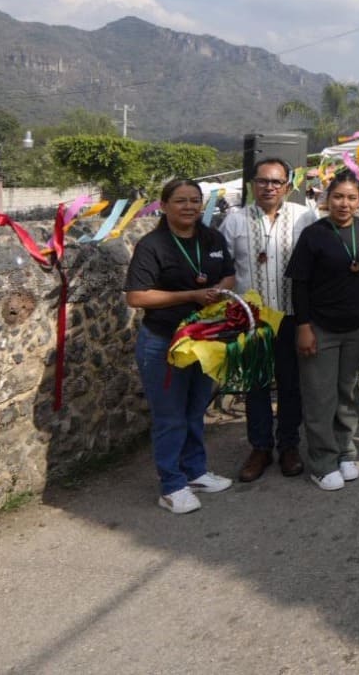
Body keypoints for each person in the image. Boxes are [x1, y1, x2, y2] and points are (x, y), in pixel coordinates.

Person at [124, 179, 236, 513]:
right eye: (180, 201)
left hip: (203, 340)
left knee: (194, 409)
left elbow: (229, 275)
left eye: (194, 201)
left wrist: (219, 289)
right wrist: (190, 296)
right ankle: (171, 485)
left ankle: (195, 470)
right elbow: (136, 296)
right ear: (164, 205)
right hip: (164, 342)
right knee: (169, 415)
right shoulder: (152, 245)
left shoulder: (212, 238)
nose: (188, 207)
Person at [220, 158, 317, 482]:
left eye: (276, 182)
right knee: (256, 384)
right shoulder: (234, 220)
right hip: (253, 319)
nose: (269, 187)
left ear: (287, 186)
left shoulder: (305, 216)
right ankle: (260, 447)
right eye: (263, 181)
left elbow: (315, 267)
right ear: (253, 184)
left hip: (291, 315)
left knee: (292, 385)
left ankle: (289, 445)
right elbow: (225, 269)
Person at [286, 170, 359, 491]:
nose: (345, 203)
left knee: (348, 391)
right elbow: (300, 284)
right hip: (320, 327)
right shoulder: (314, 234)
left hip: (357, 327)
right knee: (319, 395)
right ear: (327, 199)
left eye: (352, 197)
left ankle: (345, 450)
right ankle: (322, 462)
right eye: (338, 197)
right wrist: (304, 326)